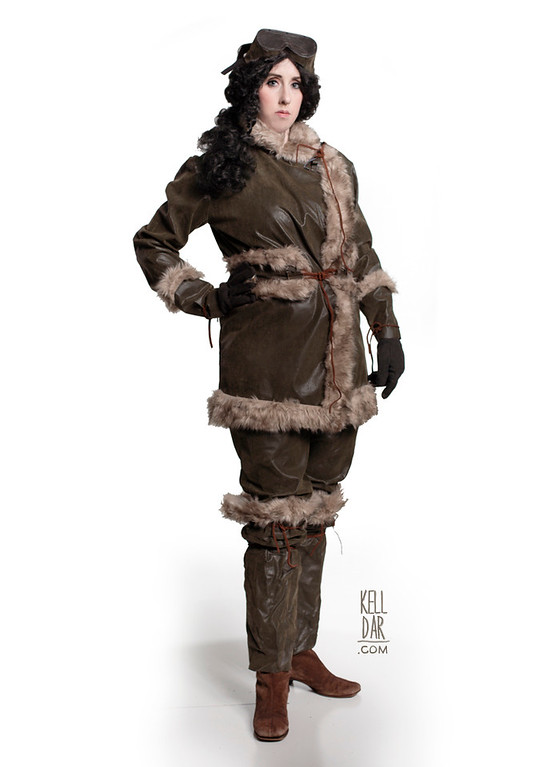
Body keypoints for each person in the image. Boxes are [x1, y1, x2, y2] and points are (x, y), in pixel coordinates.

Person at [133, 28, 404, 742]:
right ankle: (270, 675)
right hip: (268, 373)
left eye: (295, 83)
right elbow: (154, 241)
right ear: (249, 89)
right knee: (276, 523)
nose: (285, 96)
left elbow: (361, 253)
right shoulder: (222, 165)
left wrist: (387, 327)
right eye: (271, 82)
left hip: (340, 373)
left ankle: (300, 649)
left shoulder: (334, 165)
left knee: (316, 513)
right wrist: (204, 296)